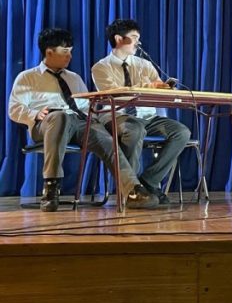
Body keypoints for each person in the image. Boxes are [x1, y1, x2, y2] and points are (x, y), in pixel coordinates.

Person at [8, 27, 159, 211]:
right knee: (60, 117)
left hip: (79, 123)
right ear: (49, 52)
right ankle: (51, 188)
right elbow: (14, 108)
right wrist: (34, 114)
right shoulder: (28, 77)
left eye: (71, 52)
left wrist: (96, 119)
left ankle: (132, 191)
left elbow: (86, 108)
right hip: (46, 123)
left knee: (108, 141)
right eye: (65, 52)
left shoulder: (74, 78)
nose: (69, 56)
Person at [92, 18, 191, 205]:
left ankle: (147, 182)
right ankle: (130, 190)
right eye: (134, 37)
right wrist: (148, 86)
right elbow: (115, 94)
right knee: (135, 130)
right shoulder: (100, 67)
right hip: (117, 115)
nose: (138, 42)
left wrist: (164, 88)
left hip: (147, 116)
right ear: (119, 39)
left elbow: (157, 90)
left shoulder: (145, 64)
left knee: (182, 132)